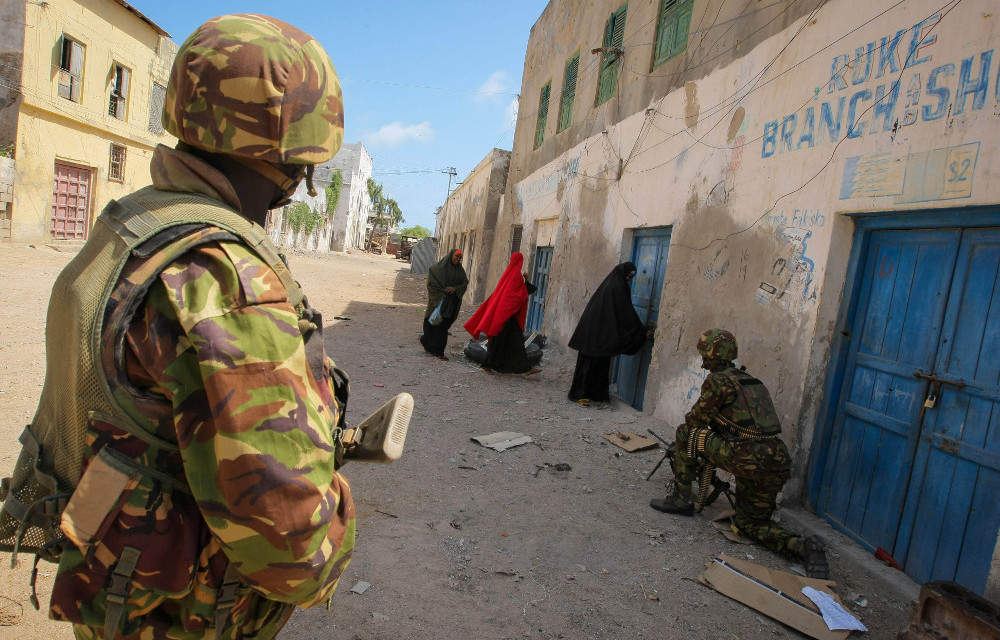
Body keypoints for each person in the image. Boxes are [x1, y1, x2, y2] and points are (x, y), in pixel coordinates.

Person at [0, 15, 355, 639]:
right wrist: (339, 510)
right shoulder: (226, 281)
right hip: (182, 618)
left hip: (119, 594)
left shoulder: (133, 225)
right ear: (294, 153)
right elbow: (290, 552)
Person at [649, 329, 830, 579]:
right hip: (774, 459)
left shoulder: (718, 381)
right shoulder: (751, 381)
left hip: (743, 455)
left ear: (714, 355)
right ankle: (802, 546)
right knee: (749, 525)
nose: (703, 362)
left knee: (685, 433)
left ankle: (681, 499)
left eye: (706, 356)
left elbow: (696, 419)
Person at [567, 262, 652, 406]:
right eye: (629, 275)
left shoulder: (612, 284)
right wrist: (641, 331)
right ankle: (578, 395)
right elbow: (626, 313)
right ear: (623, 273)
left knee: (601, 362)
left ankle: (598, 395)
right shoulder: (618, 287)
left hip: (600, 332)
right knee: (588, 363)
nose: (630, 279)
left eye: (632, 276)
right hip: (594, 332)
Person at [463, 252, 539, 374]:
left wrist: (525, 282)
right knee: (512, 341)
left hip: (502, 315)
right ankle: (520, 368)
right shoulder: (517, 277)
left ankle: (520, 368)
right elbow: (518, 296)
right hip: (508, 316)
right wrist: (527, 282)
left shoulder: (508, 274)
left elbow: (514, 293)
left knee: (502, 340)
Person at [420, 249, 468, 360]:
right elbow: (431, 283)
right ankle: (433, 348)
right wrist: (440, 295)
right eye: (456, 256)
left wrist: (455, 289)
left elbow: (464, 283)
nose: (457, 259)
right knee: (431, 325)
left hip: (450, 304)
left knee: (443, 327)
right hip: (438, 302)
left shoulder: (460, 271)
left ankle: (436, 349)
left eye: (460, 258)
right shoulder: (439, 268)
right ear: (451, 256)